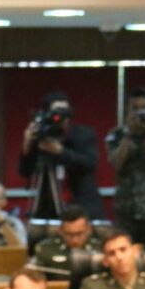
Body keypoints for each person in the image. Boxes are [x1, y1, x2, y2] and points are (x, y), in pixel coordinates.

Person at [18, 91, 101, 220]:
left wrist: (60, 152)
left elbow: (90, 163)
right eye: (57, 111)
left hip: (81, 207)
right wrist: (27, 144)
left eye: (65, 111)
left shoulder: (83, 134)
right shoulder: (41, 136)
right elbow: (24, 171)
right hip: (48, 210)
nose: (62, 116)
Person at [106, 87, 145, 249]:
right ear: (128, 109)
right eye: (135, 108)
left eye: (143, 108)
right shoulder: (117, 134)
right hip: (125, 210)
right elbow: (116, 163)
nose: (139, 112)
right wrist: (129, 134)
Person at [31, 205, 103, 278]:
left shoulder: (101, 248)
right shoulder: (45, 249)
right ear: (60, 231)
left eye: (79, 234)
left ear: (89, 229)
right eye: (69, 235)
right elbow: (33, 275)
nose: (75, 240)